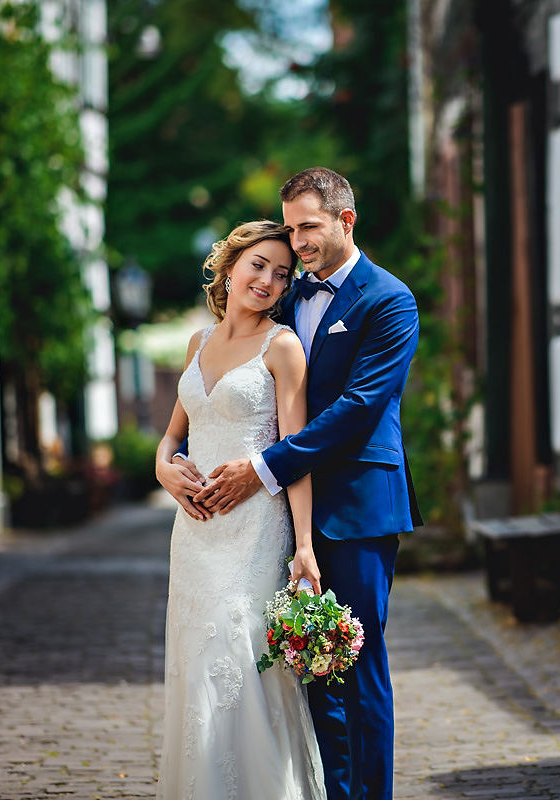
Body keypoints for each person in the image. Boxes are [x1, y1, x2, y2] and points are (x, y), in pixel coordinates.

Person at [158, 167, 421, 800]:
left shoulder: (389, 300)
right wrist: (169, 461)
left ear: (345, 221)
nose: (297, 243)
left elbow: (359, 408)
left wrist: (265, 467)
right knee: (301, 678)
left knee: (355, 671)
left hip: (353, 508)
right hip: (272, 522)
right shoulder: (284, 295)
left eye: (309, 227)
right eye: (292, 228)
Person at [153, 220, 326, 799]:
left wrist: (304, 547)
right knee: (196, 667)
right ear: (230, 266)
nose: (269, 281)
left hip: (254, 530)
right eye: (259, 265)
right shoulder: (197, 343)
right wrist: (161, 466)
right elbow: (175, 433)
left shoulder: (282, 346)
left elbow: (297, 453)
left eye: (282, 275)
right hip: (196, 534)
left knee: (242, 666)